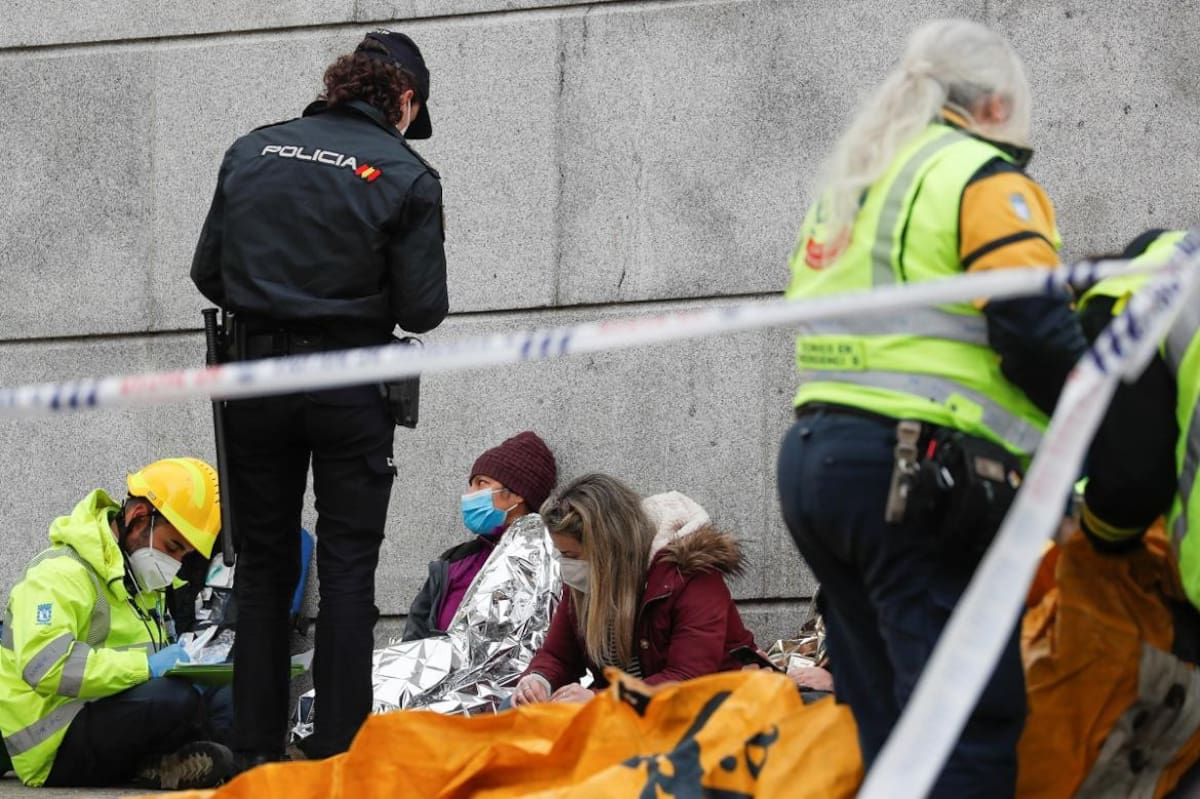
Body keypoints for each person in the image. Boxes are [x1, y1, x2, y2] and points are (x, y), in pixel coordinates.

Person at [775, 19, 1088, 797]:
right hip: (915, 473)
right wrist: (1100, 442)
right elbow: (1036, 331)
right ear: (993, 106)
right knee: (965, 725)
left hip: (818, 466)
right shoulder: (981, 178)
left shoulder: (852, 185)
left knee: (889, 731)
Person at [189, 29, 449, 766]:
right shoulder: (406, 174)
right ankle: (339, 761)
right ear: (402, 99)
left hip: (256, 380)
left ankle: (253, 758)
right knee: (345, 570)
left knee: (265, 567)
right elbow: (423, 307)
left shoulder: (253, 151)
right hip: (348, 387)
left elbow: (210, 272)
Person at [0, 458, 232, 789]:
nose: (176, 563)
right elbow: (45, 667)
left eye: (185, 555)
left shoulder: (139, 581)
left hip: (112, 714)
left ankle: (222, 759)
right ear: (138, 518)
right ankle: (165, 763)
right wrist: (146, 666)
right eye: (173, 547)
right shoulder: (59, 574)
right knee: (173, 698)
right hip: (55, 744)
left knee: (229, 691)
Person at [512, 477, 756, 705]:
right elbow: (559, 655)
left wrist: (598, 701)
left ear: (608, 552)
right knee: (513, 711)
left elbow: (687, 679)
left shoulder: (691, 576)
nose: (565, 565)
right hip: (626, 716)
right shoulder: (586, 580)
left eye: (571, 555)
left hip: (709, 713)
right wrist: (538, 680)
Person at [403, 431, 558, 641]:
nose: (469, 494)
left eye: (481, 484)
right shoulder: (454, 561)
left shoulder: (548, 565)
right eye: (471, 484)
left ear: (518, 494)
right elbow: (414, 636)